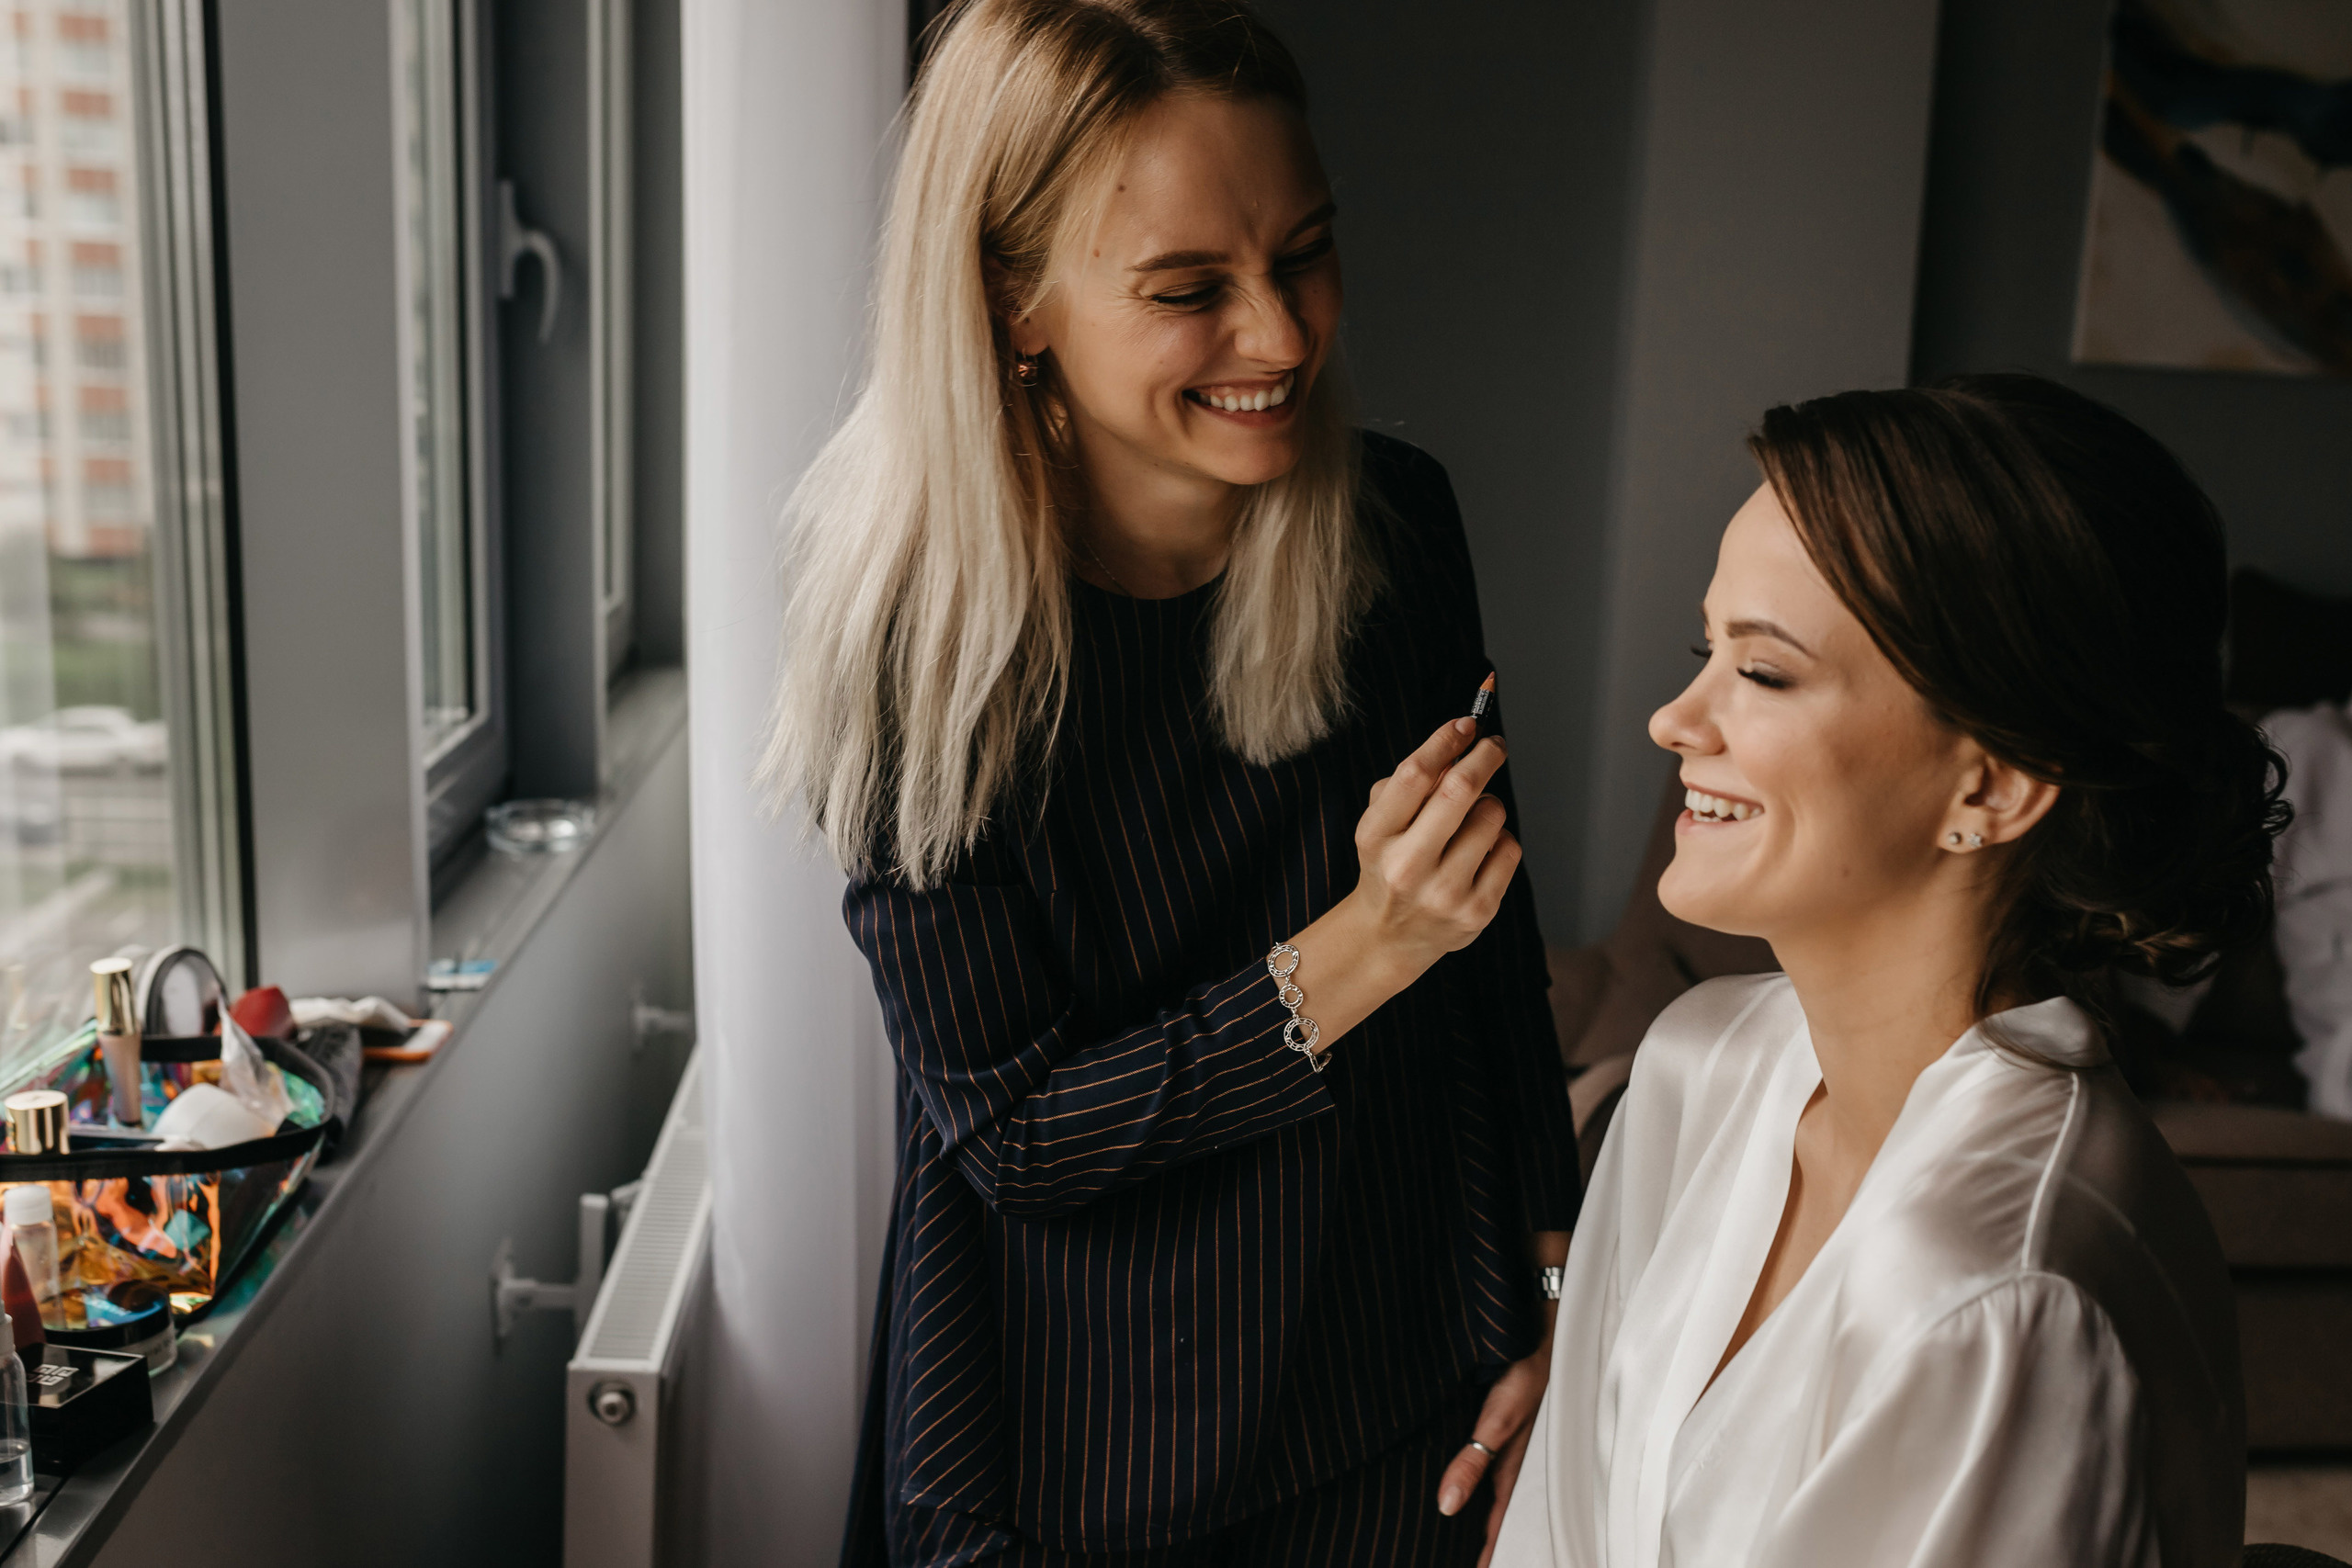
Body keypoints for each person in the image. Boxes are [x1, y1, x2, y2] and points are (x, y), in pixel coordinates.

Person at [763, 2, 1579, 1562]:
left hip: (1410, 1400)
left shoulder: (1396, 530)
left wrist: (1554, 1296)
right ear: (1016, 299)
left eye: (1307, 253)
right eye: (1189, 290)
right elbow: (1016, 1140)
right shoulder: (912, 642)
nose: (1280, 337)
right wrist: (1364, 948)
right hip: (1079, 1448)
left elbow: (1496, 966)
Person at [1492, 375, 2278, 1568]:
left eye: (1762, 673)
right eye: (1703, 650)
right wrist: (1545, 1319)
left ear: (1992, 787)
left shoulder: (2000, 1291)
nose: (1673, 718)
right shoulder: (1702, 1060)